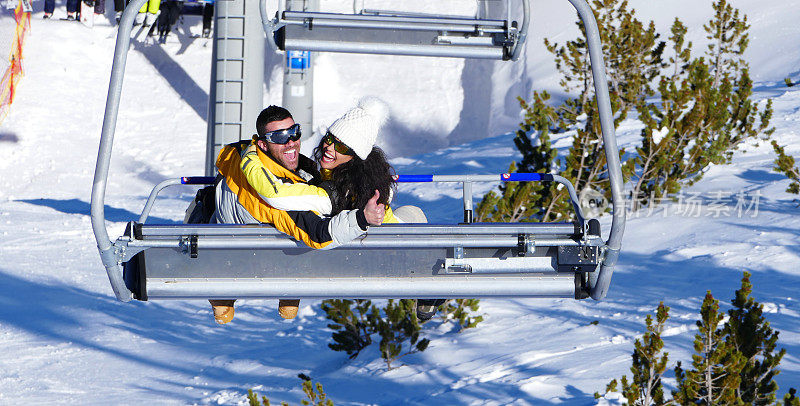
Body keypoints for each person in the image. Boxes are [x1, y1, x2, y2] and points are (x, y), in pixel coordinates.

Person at [240, 97, 442, 321]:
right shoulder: (356, 176)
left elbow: (276, 194)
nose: (329, 148)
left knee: (413, 218)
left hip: (386, 248)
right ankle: (429, 287)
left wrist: (249, 156)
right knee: (413, 212)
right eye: (329, 138)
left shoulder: (336, 193)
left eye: (342, 146)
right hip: (383, 234)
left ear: (354, 157)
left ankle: (429, 285)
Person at [210, 105, 386, 324]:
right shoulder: (274, 196)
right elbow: (319, 234)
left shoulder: (247, 154)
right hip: (243, 261)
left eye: (295, 132)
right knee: (302, 236)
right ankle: (285, 286)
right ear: (263, 143)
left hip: (220, 230)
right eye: (280, 137)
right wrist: (361, 218)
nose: (291, 141)